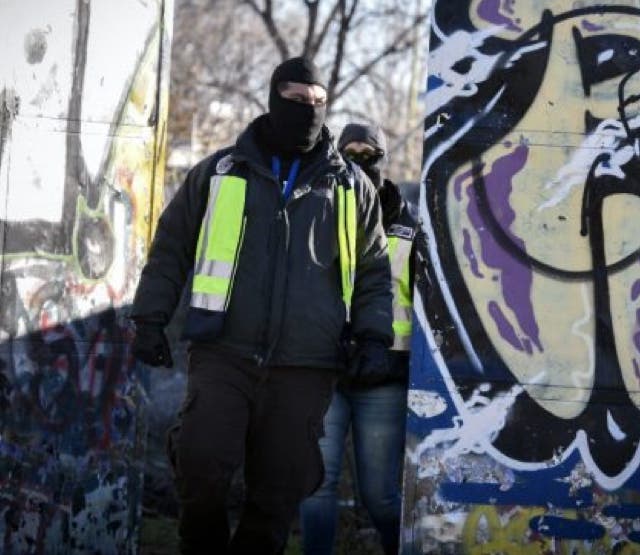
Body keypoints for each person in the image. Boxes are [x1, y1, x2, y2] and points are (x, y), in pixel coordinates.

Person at [129, 58, 393, 555]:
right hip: (223, 351)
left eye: (318, 104)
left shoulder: (351, 187)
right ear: (274, 99)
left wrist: (375, 336)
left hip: (306, 365)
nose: (309, 113)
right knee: (201, 465)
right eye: (297, 102)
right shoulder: (221, 171)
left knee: (279, 492)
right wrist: (149, 318)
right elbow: (172, 246)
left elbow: (375, 273)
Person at [300, 123, 420, 555]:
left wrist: (395, 360)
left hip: (383, 376)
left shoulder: (409, 227)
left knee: (382, 497)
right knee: (315, 486)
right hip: (325, 373)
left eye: (370, 156)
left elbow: (423, 308)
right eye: (350, 155)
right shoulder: (317, 213)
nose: (360, 164)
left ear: (384, 162)